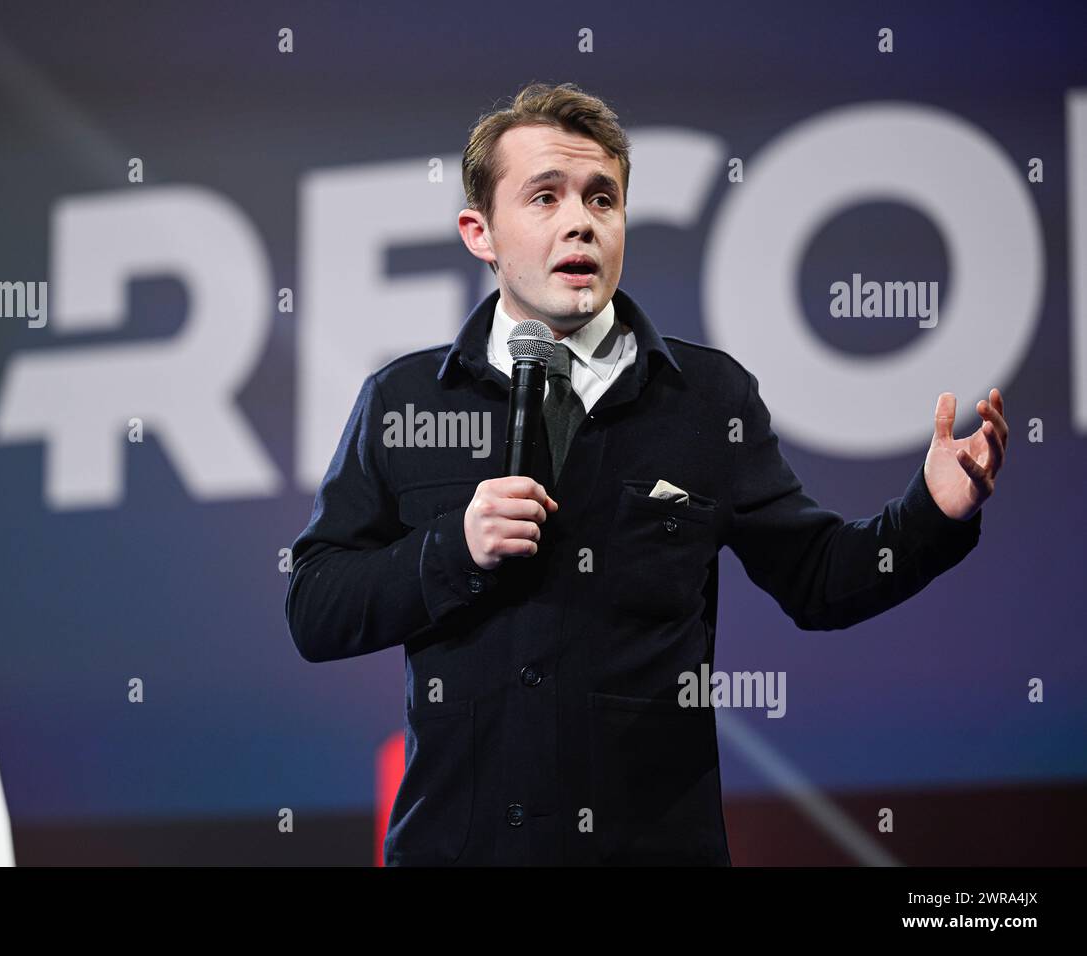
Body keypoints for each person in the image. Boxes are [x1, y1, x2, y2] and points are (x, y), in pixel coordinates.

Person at [284, 82, 1007, 865]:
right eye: (545, 197)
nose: (580, 222)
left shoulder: (706, 398)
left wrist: (934, 510)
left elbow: (820, 578)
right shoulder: (405, 399)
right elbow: (316, 606)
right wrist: (453, 548)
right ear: (479, 232)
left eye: (603, 199)